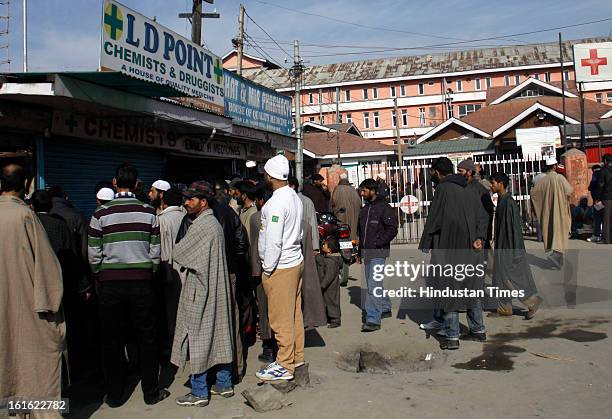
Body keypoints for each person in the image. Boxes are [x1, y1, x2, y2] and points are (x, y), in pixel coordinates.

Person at [88, 163, 169, 406]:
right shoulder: (148, 212)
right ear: (136, 185)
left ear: (115, 183)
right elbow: (156, 251)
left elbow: (93, 253)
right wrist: (149, 271)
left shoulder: (100, 214)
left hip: (110, 285)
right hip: (142, 283)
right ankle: (151, 392)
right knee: (147, 338)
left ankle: (114, 396)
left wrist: (100, 275)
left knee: (112, 340)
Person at [0, 164, 65, 411]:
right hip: (27, 310)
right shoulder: (26, 216)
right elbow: (49, 270)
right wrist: (50, 309)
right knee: (33, 372)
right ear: (27, 184)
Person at [171, 181, 235, 407]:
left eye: (191, 199)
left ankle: (199, 391)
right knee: (219, 335)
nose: (186, 202)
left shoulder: (202, 225)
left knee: (198, 337)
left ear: (203, 202)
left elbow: (179, 252)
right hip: (214, 286)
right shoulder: (213, 223)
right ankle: (223, 383)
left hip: (201, 288)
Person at [418, 157, 485, 350]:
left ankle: (452, 335)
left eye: (432, 173)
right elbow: (482, 216)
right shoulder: (470, 188)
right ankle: (478, 330)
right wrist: (480, 236)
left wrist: (427, 243)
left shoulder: (443, 190)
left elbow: (434, 219)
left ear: (438, 172)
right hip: (471, 248)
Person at [31, 190, 90, 382]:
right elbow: (73, 257)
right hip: (61, 286)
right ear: (50, 206)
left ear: (32, 206)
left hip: (34, 287)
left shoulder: (30, 225)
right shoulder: (59, 225)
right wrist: (83, 286)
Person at [256, 155, 305, 381]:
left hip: (280, 266)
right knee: (294, 315)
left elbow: (273, 240)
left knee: (280, 319)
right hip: (295, 261)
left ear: (269, 176)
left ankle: (284, 365)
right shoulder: (294, 197)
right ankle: (297, 358)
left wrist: (268, 268)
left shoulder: (275, 203)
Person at [489, 172, 542, 319]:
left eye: (493, 182)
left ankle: (531, 302)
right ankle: (504, 308)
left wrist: (515, 251)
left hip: (508, 247)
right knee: (500, 277)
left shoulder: (509, 202)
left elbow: (514, 229)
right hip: (502, 245)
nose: (491, 185)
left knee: (509, 277)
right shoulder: (501, 200)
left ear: (500, 184)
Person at [357, 178, 398, 332]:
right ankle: (385, 306)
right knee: (373, 283)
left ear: (373, 191)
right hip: (367, 252)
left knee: (373, 285)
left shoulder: (384, 208)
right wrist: (360, 251)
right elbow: (361, 231)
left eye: (365, 191)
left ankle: (373, 319)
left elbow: (392, 229)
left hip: (378, 252)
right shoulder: (365, 209)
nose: (362, 193)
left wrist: (379, 242)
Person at [288, 176, 327, 330]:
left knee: (305, 282)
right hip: (304, 246)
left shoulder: (304, 201)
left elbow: (311, 224)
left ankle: (306, 315)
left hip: (300, 246)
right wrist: (315, 247)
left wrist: (315, 247)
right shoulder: (303, 201)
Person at [250, 184, 277, 363]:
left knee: (265, 309)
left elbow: (254, 246)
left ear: (260, 200)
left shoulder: (255, 218)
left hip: (262, 269)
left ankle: (268, 347)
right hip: (282, 268)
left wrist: (254, 271)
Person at [157, 188, 186, 357]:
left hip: (171, 270)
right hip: (187, 271)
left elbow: (164, 250)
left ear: (164, 202)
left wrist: (166, 273)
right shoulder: (187, 217)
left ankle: (175, 346)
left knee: (172, 310)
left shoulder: (162, 220)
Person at [530, 156, 573, 268]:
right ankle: (556, 257)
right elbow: (569, 191)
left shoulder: (542, 180)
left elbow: (533, 194)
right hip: (560, 211)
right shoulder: (560, 178)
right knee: (560, 235)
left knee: (552, 233)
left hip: (548, 213)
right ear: (554, 166)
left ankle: (557, 260)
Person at [331, 173, 362, 286]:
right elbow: (359, 204)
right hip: (353, 221)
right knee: (351, 238)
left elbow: (331, 205)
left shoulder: (336, 190)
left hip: (340, 221)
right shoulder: (353, 190)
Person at [315, 237, 343, 328]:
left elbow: (329, 276)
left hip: (330, 288)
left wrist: (322, 285)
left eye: (325, 245)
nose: (322, 245)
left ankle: (336, 320)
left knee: (332, 303)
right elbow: (321, 261)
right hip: (325, 286)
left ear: (330, 250)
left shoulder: (331, 262)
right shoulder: (327, 258)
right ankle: (327, 317)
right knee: (325, 302)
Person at [598, 154, 612, 244]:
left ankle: (606, 239)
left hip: (607, 197)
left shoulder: (603, 170)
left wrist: (598, 197)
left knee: (606, 219)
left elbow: (601, 185)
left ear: (605, 161)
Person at [588, 165, 604, 243]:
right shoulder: (604, 173)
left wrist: (596, 199)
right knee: (605, 218)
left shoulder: (595, 174)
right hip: (606, 200)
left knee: (598, 217)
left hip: (598, 201)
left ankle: (597, 235)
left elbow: (591, 187)